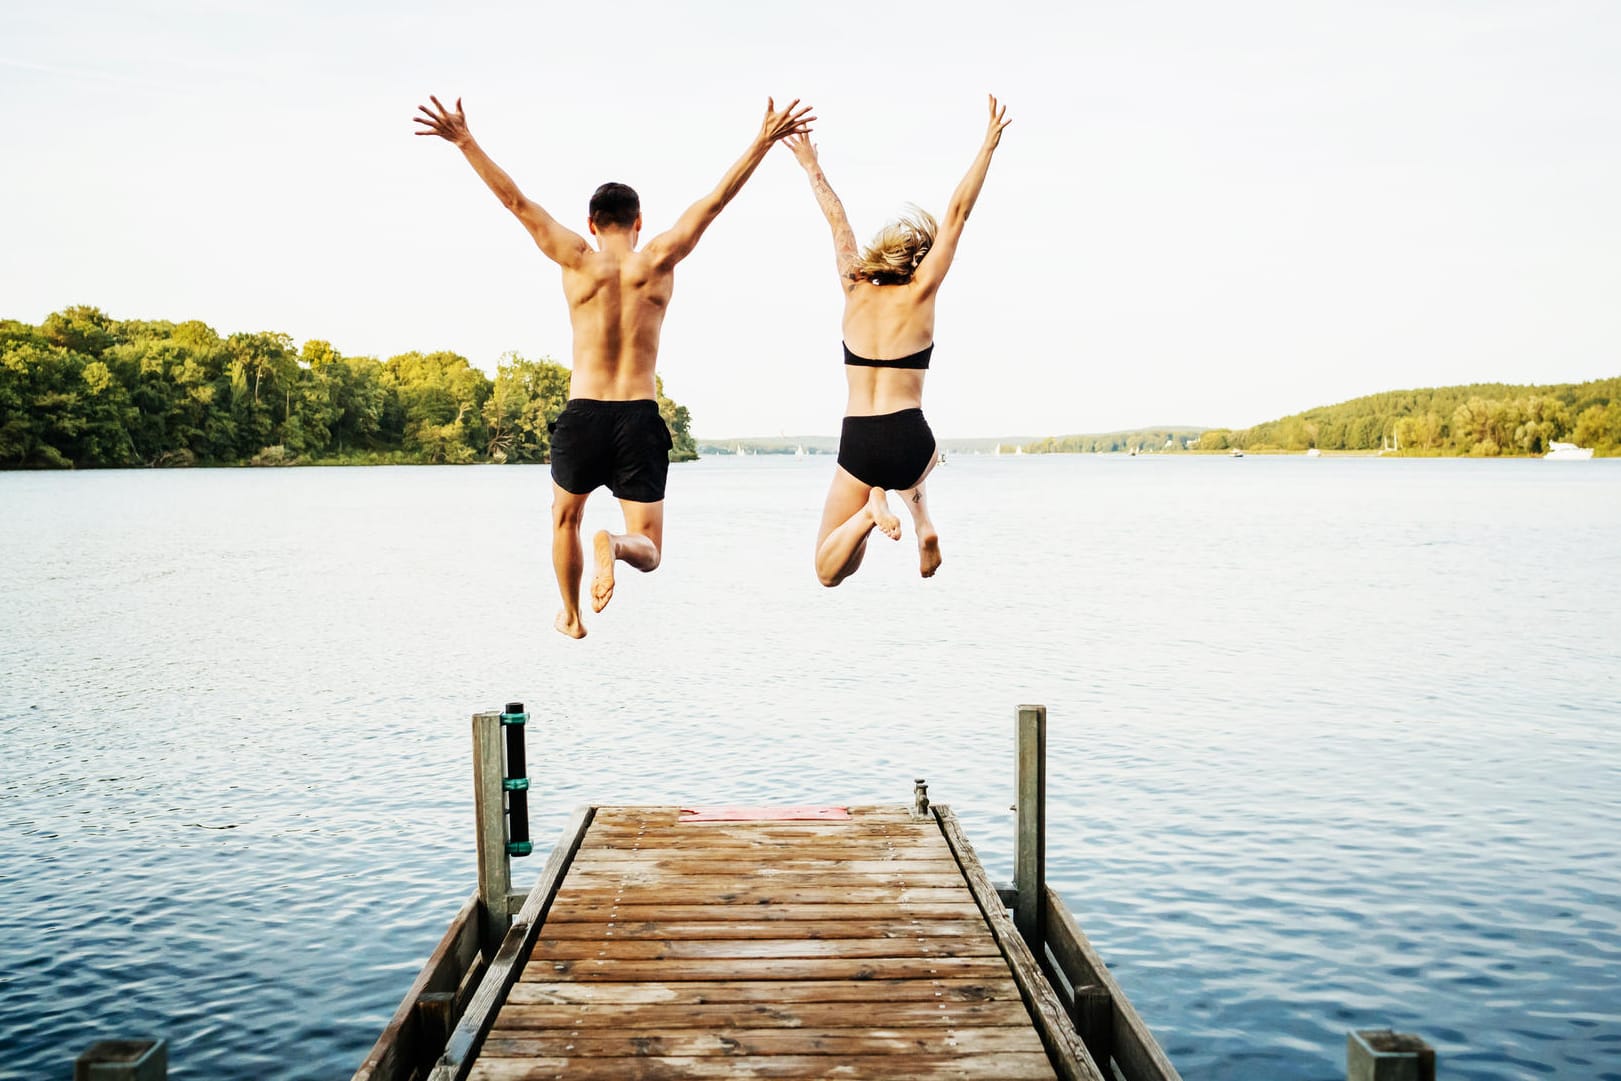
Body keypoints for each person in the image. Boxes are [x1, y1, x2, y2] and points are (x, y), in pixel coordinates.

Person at [415, 94, 814, 637]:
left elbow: (515, 201)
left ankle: (573, 615)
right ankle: (617, 546)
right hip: (638, 416)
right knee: (649, 549)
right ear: (639, 222)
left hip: (583, 414)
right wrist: (762, 142)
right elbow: (715, 202)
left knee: (565, 518)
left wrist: (465, 141)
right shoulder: (659, 258)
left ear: (592, 222)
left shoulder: (576, 257)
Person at [783, 95, 1010, 587]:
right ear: (915, 264)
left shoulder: (852, 286)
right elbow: (957, 214)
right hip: (912, 437)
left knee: (830, 569)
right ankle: (922, 519)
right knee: (923, 459)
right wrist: (988, 146)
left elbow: (837, 219)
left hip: (860, 439)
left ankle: (869, 513)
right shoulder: (922, 292)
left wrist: (810, 165)